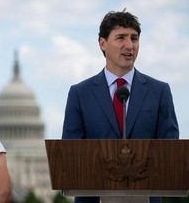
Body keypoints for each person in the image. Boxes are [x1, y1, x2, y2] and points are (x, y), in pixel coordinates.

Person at [62, 10, 179, 203]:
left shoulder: (160, 91)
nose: (129, 45)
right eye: (121, 38)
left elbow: (170, 150)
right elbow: (71, 153)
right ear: (103, 44)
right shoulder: (79, 94)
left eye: (134, 38)